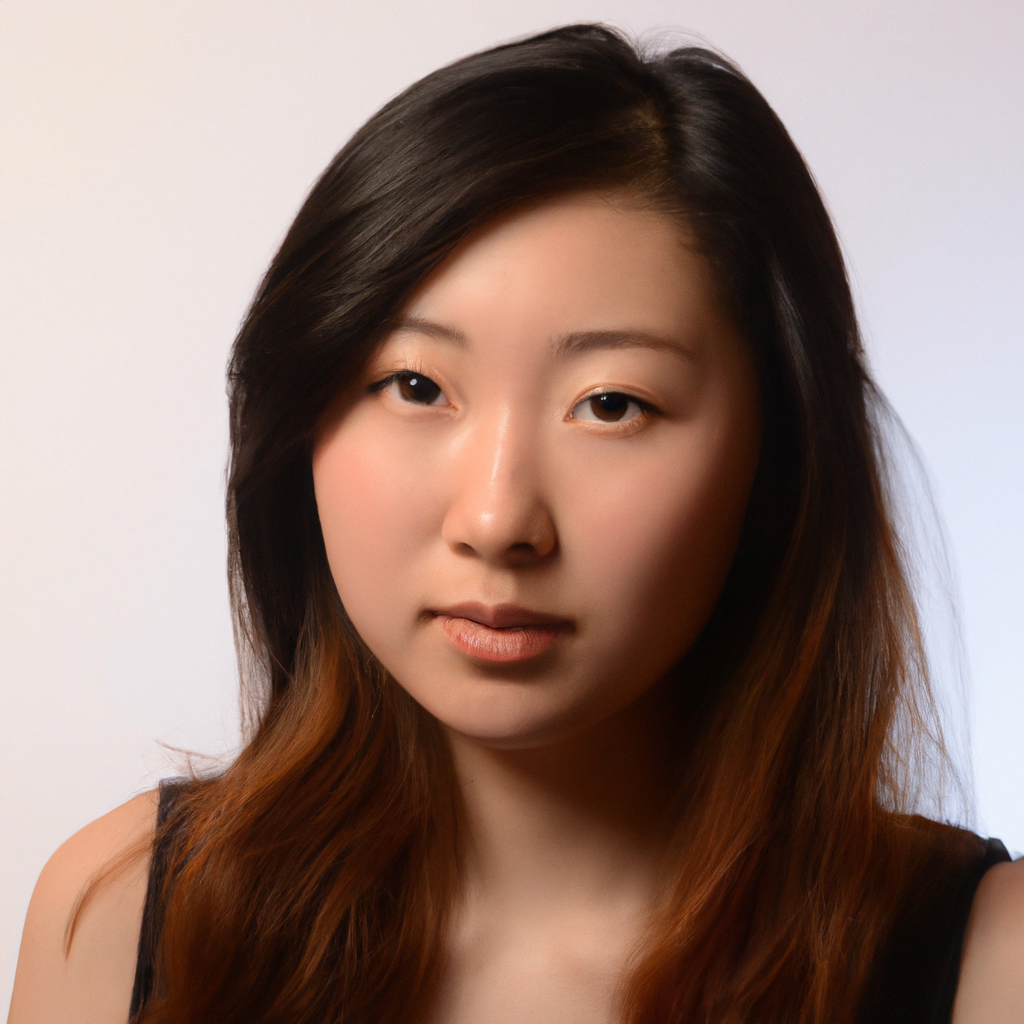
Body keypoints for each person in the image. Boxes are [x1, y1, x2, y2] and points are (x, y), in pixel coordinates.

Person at [8, 23, 1023, 1024]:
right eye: (414, 384)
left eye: (612, 403)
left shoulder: (984, 963)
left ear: (780, 457)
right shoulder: (123, 915)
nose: (497, 520)